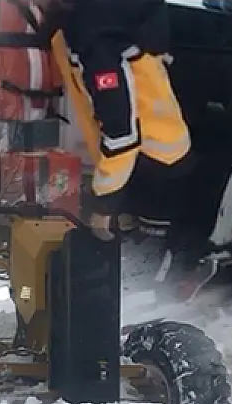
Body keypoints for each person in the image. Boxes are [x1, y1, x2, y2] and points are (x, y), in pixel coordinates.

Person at [41, 0, 195, 247]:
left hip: (149, 166)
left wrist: (104, 204)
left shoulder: (91, 36)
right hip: (160, 155)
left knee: (140, 261)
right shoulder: (109, 13)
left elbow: (121, 132)